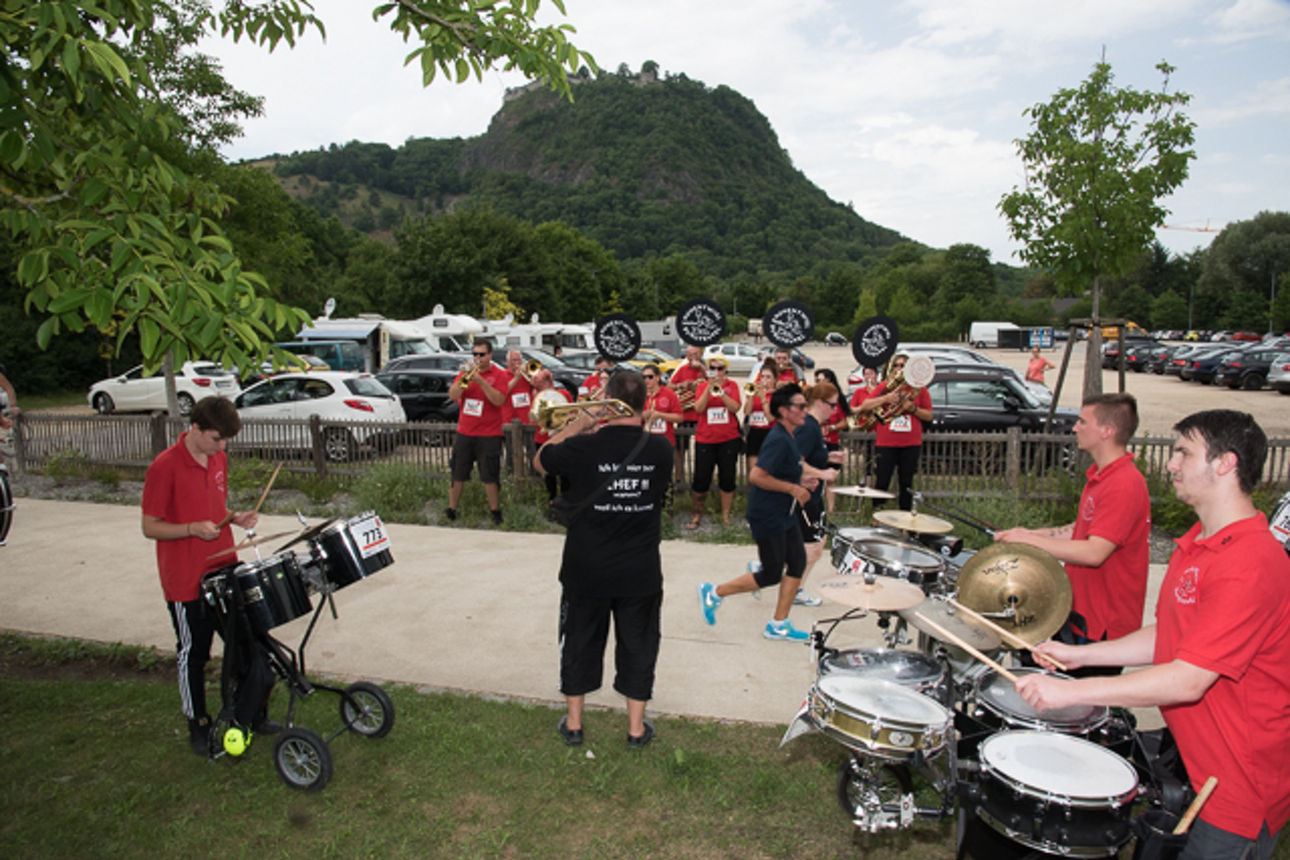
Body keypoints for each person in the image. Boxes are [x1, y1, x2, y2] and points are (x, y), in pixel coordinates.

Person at [1015, 410, 1290, 859]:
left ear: (1225, 464)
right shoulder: (1197, 542)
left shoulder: (1251, 562)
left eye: (1184, 452)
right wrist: (1081, 656)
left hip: (1237, 787)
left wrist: (1069, 696)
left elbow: (1188, 678)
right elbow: (1170, 634)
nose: (1171, 463)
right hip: (1193, 765)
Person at [533, 369, 673, 749]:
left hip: (586, 568)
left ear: (607, 401)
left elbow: (541, 460)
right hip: (640, 570)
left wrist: (578, 424)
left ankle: (575, 726)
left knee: (579, 641)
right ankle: (635, 730)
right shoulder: (661, 449)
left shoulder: (584, 446)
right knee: (640, 645)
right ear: (644, 401)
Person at [140, 396, 276, 756]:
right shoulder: (164, 467)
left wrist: (235, 518)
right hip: (186, 578)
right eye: (217, 438)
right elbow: (149, 526)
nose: (223, 446)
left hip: (224, 566)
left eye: (226, 440)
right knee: (193, 653)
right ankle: (197, 723)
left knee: (247, 644)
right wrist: (189, 529)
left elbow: (214, 506)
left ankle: (252, 715)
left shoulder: (218, 458)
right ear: (195, 429)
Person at [994, 394, 1150, 656]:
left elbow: (1094, 552)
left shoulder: (1123, 484)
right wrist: (1028, 533)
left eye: (1082, 422)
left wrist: (1030, 542)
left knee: (1079, 696)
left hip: (1103, 623)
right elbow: (1080, 530)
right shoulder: (1103, 477)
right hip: (1081, 611)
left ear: (1107, 431)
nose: (1075, 427)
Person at [697, 384, 838, 641]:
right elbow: (757, 476)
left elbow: (787, 469)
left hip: (784, 513)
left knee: (796, 563)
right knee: (771, 574)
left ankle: (778, 624)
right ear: (784, 411)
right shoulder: (778, 439)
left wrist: (803, 482)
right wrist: (793, 489)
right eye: (800, 406)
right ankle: (714, 591)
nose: (806, 410)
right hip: (767, 515)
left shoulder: (791, 435)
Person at [852, 353, 932, 511]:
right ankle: (878, 516)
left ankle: (906, 519)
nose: (899, 368)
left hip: (911, 443)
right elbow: (866, 405)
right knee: (882, 481)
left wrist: (913, 408)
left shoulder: (919, 389)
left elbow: (929, 415)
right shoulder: (884, 386)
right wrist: (886, 398)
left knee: (906, 483)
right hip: (886, 443)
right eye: (896, 365)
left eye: (903, 365)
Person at [792, 381, 847, 606]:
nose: (834, 411)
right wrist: (823, 473)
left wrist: (829, 458)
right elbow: (795, 462)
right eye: (832, 405)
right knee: (812, 548)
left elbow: (810, 455)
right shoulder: (808, 427)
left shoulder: (814, 426)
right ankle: (794, 587)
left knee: (816, 543)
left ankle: (769, 569)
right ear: (820, 403)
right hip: (804, 496)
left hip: (813, 496)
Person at [447, 338, 508, 524]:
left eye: (481, 354)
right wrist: (463, 379)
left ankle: (495, 511)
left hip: (489, 434)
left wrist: (481, 381)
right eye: (475, 354)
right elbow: (452, 395)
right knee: (457, 473)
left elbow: (499, 400)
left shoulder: (499, 375)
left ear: (489, 355)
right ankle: (451, 509)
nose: (478, 358)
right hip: (465, 431)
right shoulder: (466, 372)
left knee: (490, 475)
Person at [688, 355, 742, 529]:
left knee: (727, 478)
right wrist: (707, 389)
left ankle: (726, 516)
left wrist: (721, 392)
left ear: (725, 370)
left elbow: (735, 408)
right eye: (713, 368)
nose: (717, 372)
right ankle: (697, 515)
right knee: (701, 479)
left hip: (728, 438)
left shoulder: (731, 386)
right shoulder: (702, 385)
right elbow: (698, 408)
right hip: (706, 438)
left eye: (720, 369)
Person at [813, 368, 851, 513]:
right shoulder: (812, 400)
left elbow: (845, 422)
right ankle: (816, 507)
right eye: (818, 380)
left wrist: (832, 427)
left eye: (824, 380)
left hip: (831, 442)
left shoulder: (837, 400)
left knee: (830, 478)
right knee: (815, 476)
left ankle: (830, 509)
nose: (821, 383)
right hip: (816, 443)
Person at [667, 345, 707, 481]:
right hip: (686, 413)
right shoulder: (683, 369)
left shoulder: (706, 369)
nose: (691, 358)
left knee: (703, 449)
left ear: (700, 354)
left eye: (694, 354)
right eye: (689, 355)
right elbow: (669, 386)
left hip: (702, 414)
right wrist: (680, 385)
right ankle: (679, 478)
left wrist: (702, 368)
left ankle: (700, 478)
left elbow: (714, 382)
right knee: (680, 449)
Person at [743, 360, 778, 473]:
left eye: (768, 377)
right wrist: (752, 396)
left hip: (770, 433)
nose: (764, 380)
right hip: (754, 432)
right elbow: (747, 412)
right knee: (754, 471)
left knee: (769, 471)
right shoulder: (756, 393)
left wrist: (763, 398)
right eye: (762, 376)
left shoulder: (777, 395)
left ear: (775, 379)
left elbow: (771, 418)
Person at [640, 363, 683, 450]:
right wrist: (642, 416)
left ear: (658, 377)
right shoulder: (638, 394)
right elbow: (631, 416)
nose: (646, 380)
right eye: (644, 377)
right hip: (644, 442)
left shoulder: (669, 393)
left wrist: (660, 415)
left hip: (666, 442)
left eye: (650, 377)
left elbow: (679, 417)